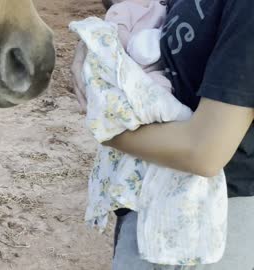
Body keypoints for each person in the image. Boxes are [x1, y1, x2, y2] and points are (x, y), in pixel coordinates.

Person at [71, 0, 254, 269]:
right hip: (153, 198)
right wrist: (101, 38)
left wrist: (106, 124)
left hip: (207, 229)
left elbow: (204, 152)